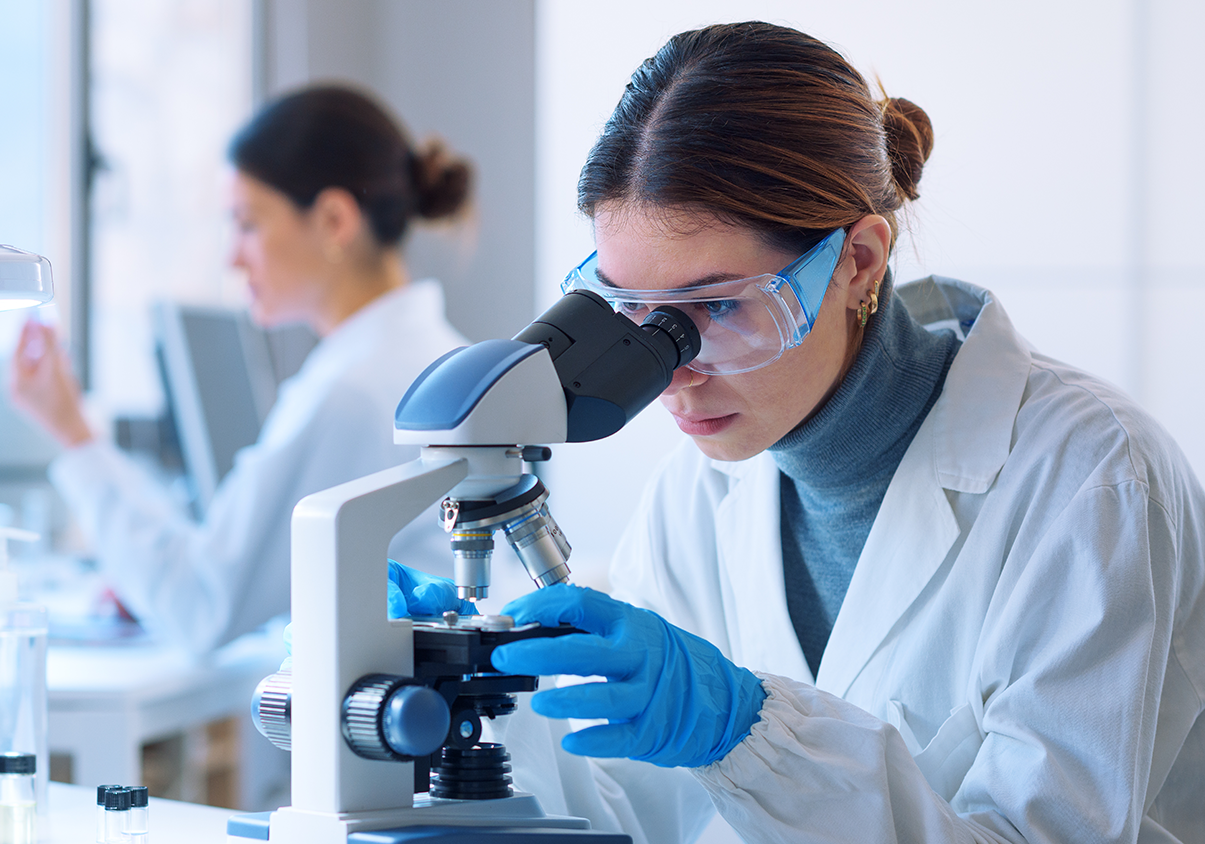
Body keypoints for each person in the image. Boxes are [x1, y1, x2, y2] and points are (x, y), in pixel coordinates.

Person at [391, 21, 1204, 843]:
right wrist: (496, 699)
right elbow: (635, 814)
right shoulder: (698, 492)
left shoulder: (1092, 478)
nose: (671, 372)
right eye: (632, 316)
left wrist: (747, 734)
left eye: (716, 306)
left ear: (858, 260)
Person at [12, 85, 472, 657]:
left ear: (333, 220)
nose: (233, 257)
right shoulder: (430, 357)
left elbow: (201, 605)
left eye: (248, 223)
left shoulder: (353, 390)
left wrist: (73, 434)